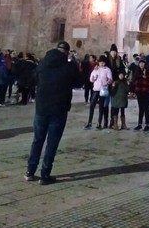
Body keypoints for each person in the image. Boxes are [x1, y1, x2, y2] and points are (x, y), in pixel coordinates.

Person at [26, 41, 77, 185]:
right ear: (67, 52)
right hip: (59, 109)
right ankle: (44, 175)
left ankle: (30, 171)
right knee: (52, 142)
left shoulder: (42, 64)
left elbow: (33, 79)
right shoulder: (68, 66)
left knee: (37, 140)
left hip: (41, 108)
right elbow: (79, 81)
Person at [86, 57, 112, 129]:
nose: (102, 64)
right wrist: (94, 78)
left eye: (103, 62)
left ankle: (99, 123)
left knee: (101, 106)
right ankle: (89, 122)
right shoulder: (96, 69)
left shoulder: (107, 70)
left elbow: (110, 78)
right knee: (92, 105)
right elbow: (91, 79)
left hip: (103, 90)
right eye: (101, 62)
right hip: (96, 89)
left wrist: (106, 83)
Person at [131, 57, 149, 131]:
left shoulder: (148, 71)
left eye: (143, 63)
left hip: (146, 91)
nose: (141, 64)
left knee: (146, 108)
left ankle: (147, 124)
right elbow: (134, 80)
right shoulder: (137, 71)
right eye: (140, 63)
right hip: (139, 92)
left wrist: (145, 76)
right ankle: (139, 124)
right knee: (141, 108)